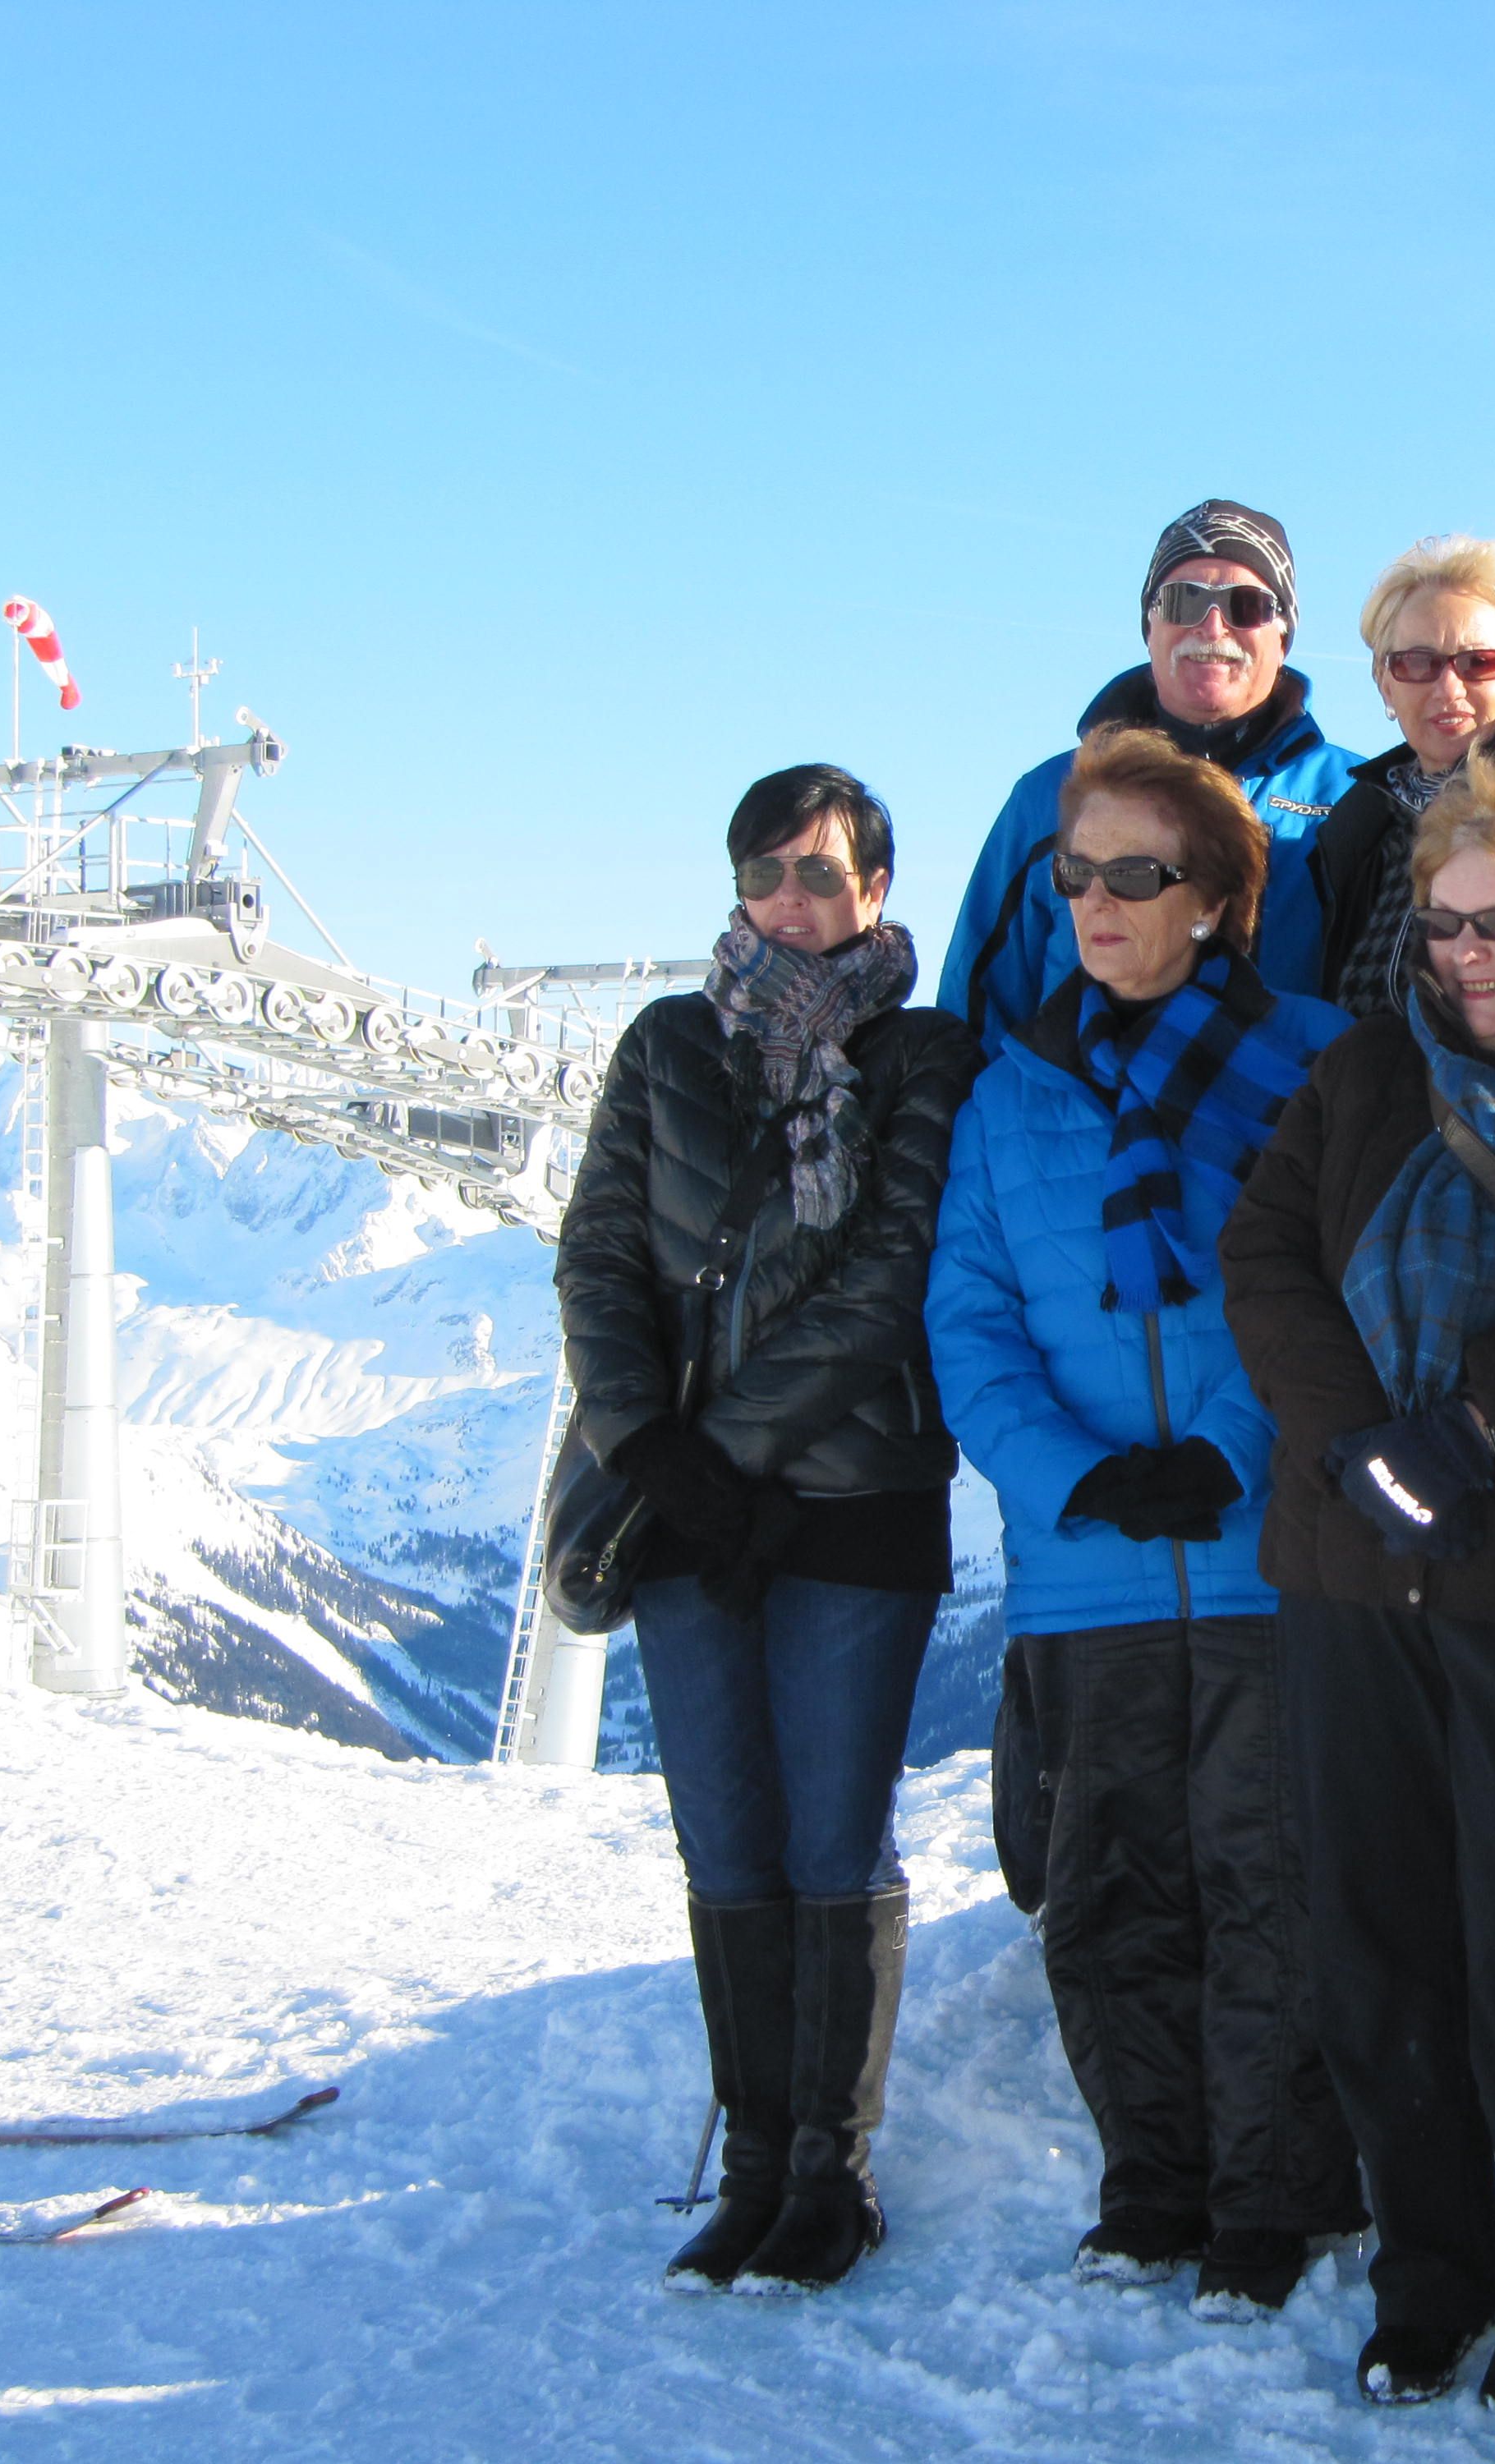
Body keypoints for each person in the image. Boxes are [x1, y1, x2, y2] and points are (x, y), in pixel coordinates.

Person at [1219, 736, 1495, 2415]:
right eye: (1447, 922)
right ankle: (1427, 2273)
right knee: (1376, 1934)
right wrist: (1355, 1447)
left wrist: (1470, 1430)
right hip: (1349, 1572)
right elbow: (1263, 1258)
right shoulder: (1358, 1075)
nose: (1470, 955)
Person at [923, 728, 1363, 2319]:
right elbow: (969, 1317)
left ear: (1218, 897)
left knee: (1269, 1885)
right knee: (1110, 1898)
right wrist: (1074, 1476)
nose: (1097, 903)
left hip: (1266, 1560)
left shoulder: (1314, 1063)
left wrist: (1233, 1453)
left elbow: (1329, 1282)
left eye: (1136, 872)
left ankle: (1272, 2196)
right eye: (1074, 874)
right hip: (1083, 1575)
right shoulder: (1011, 1095)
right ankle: (1150, 2187)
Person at [556, 763, 979, 2293]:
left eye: (821, 872)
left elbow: (888, 1279)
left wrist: (709, 1456)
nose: (791, 901)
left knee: (829, 1837)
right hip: (686, 1505)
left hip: (853, 1501)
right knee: (727, 1840)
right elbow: (600, 1255)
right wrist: (647, 1447)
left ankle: (828, 2174)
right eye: (765, 872)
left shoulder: (922, 1055)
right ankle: (752, 2162)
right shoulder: (669, 1046)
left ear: (877, 887)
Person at [941, 499, 1359, 1045]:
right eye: (1184, 600)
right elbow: (973, 1010)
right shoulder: (1047, 798)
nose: (1213, 624)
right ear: (1149, 626)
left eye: (1246, 605)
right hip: (1074, 1098)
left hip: (1292, 1097)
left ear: (1282, 636)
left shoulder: (1355, 802)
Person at [1308, 535, 1495, 1019]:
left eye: (1478, 663)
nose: (1449, 689)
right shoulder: (1359, 829)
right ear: (1385, 683)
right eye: (1417, 663)